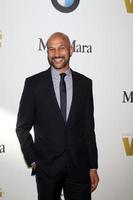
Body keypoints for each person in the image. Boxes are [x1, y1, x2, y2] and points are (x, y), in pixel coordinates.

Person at [16, 32, 99, 200]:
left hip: (79, 167)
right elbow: (22, 127)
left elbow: (88, 128)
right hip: (47, 168)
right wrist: (33, 159)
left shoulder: (85, 84)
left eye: (61, 47)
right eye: (51, 49)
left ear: (71, 49)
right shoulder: (33, 84)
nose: (56, 54)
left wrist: (93, 167)